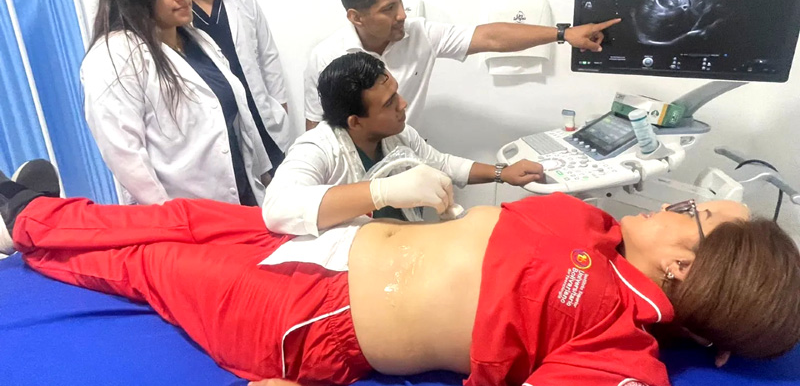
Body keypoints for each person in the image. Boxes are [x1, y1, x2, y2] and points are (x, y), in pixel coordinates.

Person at [2, 161, 799, 386]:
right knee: (184, 218)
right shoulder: (599, 231)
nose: (672, 203)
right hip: (338, 245)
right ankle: (31, 214)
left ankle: (26, 226)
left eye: (691, 211)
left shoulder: (617, 346)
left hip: (312, 320)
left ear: (685, 264)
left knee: (149, 263)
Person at [304, 0, 621, 130]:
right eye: (388, 9)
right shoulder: (326, 58)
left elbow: (490, 36)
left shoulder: (419, 34)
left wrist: (563, 34)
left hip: (407, 163)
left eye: (400, 1)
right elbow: (315, 129)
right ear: (356, 17)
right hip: (352, 177)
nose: (402, 14)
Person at [81, 0, 271, 206]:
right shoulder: (115, 56)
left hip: (243, 201)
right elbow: (126, 156)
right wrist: (172, 219)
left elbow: (239, 123)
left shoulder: (198, 40)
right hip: (184, 216)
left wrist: (264, 178)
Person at [264, 52, 544, 235]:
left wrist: (502, 173)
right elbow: (277, 208)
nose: (403, 104)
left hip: (405, 246)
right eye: (389, 103)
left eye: (396, 93)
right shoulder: (317, 148)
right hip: (355, 268)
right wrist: (383, 192)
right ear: (355, 122)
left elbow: (443, 164)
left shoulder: (399, 135)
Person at [156, 0, 291, 171]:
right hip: (221, 140)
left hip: (265, 127)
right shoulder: (174, 15)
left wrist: (280, 109)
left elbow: (268, 59)